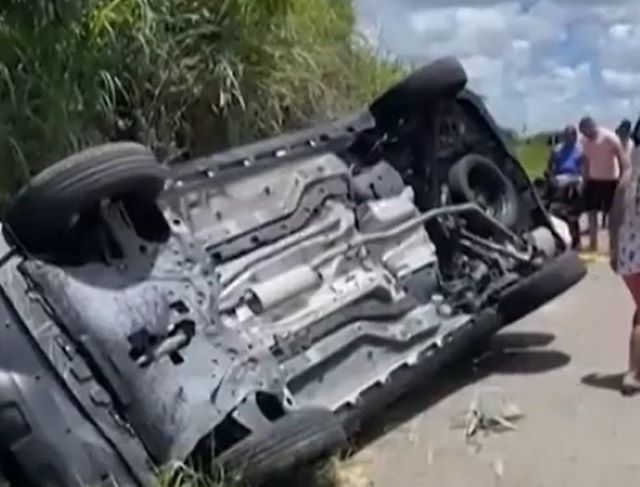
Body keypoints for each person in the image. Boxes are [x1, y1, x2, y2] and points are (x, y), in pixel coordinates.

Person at [609, 115, 640, 394]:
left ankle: (635, 368)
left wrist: (613, 250)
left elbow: (614, 217)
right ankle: (633, 374)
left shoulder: (627, 178)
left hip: (630, 259)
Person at [578, 116, 630, 252]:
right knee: (591, 214)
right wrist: (584, 179)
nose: (585, 135)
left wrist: (623, 180)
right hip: (593, 180)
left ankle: (614, 247)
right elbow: (585, 161)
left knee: (613, 216)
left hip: (610, 180)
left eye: (586, 132)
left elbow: (623, 160)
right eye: (583, 133)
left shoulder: (609, 138)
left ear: (592, 127)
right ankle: (593, 244)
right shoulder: (584, 141)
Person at [546, 124, 584, 248]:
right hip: (560, 178)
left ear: (575, 136)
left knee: (572, 212)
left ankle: (576, 240)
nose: (568, 138)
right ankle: (560, 238)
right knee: (557, 210)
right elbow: (550, 167)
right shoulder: (557, 150)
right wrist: (551, 178)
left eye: (571, 135)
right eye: (566, 135)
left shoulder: (580, 150)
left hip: (574, 179)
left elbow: (583, 169)